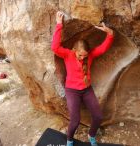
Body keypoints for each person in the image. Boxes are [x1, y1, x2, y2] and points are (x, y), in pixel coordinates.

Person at [51, 11, 114, 146]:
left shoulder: (89, 56)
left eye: (85, 56)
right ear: (74, 50)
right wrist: (58, 25)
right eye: (80, 55)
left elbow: (103, 48)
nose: (83, 58)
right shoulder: (68, 55)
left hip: (86, 89)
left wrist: (110, 34)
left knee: (98, 116)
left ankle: (91, 135)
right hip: (72, 90)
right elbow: (55, 47)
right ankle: (69, 139)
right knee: (75, 120)